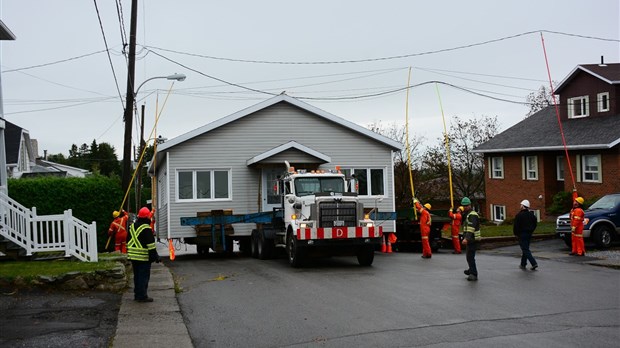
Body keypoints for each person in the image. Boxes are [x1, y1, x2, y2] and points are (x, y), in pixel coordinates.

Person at [127, 207, 160, 302]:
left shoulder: (132, 226)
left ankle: (137, 294)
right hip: (142, 257)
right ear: (147, 217)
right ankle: (142, 296)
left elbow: (127, 240)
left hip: (133, 256)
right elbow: (150, 245)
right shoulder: (146, 228)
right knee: (143, 277)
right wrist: (155, 257)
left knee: (137, 276)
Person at [513, 199, 538, 270]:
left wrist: (516, 234)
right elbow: (535, 224)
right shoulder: (531, 215)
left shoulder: (519, 215)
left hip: (522, 234)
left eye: (521, 205)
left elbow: (516, 226)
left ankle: (534, 263)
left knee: (525, 249)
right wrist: (531, 231)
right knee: (525, 248)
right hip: (529, 234)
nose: (520, 206)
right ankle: (523, 264)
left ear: (523, 206)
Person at [461, 197, 480, 281]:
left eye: (466, 206)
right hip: (471, 239)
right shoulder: (468, 214)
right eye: (463, 206)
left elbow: (471, 228)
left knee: (470, 256)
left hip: (472, 239)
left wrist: (466, 239)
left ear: (470, 205)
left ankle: (473, 274)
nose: (465, 207)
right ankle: (471, 270)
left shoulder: (472, 215)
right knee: (469, 256)